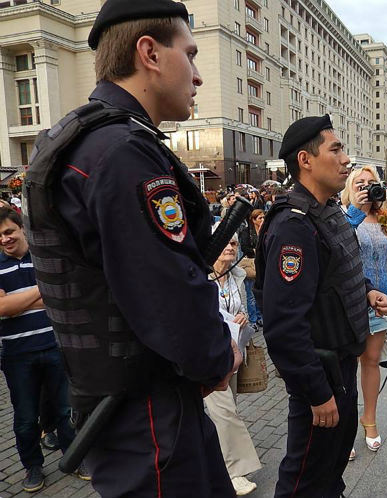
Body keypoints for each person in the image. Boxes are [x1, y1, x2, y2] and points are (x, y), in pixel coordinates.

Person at [24, 1, 242, 496]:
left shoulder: (92, 139)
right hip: (148, 413)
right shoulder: (121, 152)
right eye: (189, 54)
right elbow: (168, 291)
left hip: (138, 404)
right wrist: (216, 358)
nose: (199, 76)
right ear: (149, 53)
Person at [253, 115, 387, 498]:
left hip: (341, 368)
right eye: (336, 149)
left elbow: (334, 272)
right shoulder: (293, 225)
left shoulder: (326, 211)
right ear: (305, 160)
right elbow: (283, 324)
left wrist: (365, 292)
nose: (346, 159)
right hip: (321, 375)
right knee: (304, 481)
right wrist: (316, 392)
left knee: (329, 474)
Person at [0, 208, 86, 492]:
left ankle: (73, 458)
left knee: (65, 410)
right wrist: (44, 289)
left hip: (54, 346)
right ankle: (32, 467)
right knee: (25, 418)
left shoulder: (42, 257)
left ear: (22, 229)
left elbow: (64, 296)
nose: (4, 239)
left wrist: (18, 302)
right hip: (17, 355)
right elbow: (3, 308)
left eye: (9, 231)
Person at [342, 165, 387, 459]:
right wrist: (356, 211)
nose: (366, 187)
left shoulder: (384, 217)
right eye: (359, 183)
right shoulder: (342, 217)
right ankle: (346, 428)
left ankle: (370, 420)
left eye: (371, 183)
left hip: (381, 302)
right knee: (348, 364)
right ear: (349, 188)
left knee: (372, 361)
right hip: (351, 303)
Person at [206, 232, 261, 496]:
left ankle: (214, 466)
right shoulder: (201, 278)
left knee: (224, 414)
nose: (230, 247)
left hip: (235, 352)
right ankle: (235, 472)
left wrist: (242, 320)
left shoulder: (237, 275)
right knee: (225, 412)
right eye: (225, 242)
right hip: (210, 354)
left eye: (234, 243)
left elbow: (245, 311)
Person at [238, 209, 265, 328]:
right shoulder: (246, 231)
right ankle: (253, 320)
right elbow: (244, 247)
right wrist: (255, 251)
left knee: (260, 293)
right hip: (250, 265)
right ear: (253, 220)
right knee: (250, 295)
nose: (262, 220)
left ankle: (260, 317)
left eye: (264, 217)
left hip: (262, 266)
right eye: (260, 218)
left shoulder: (266, 230)